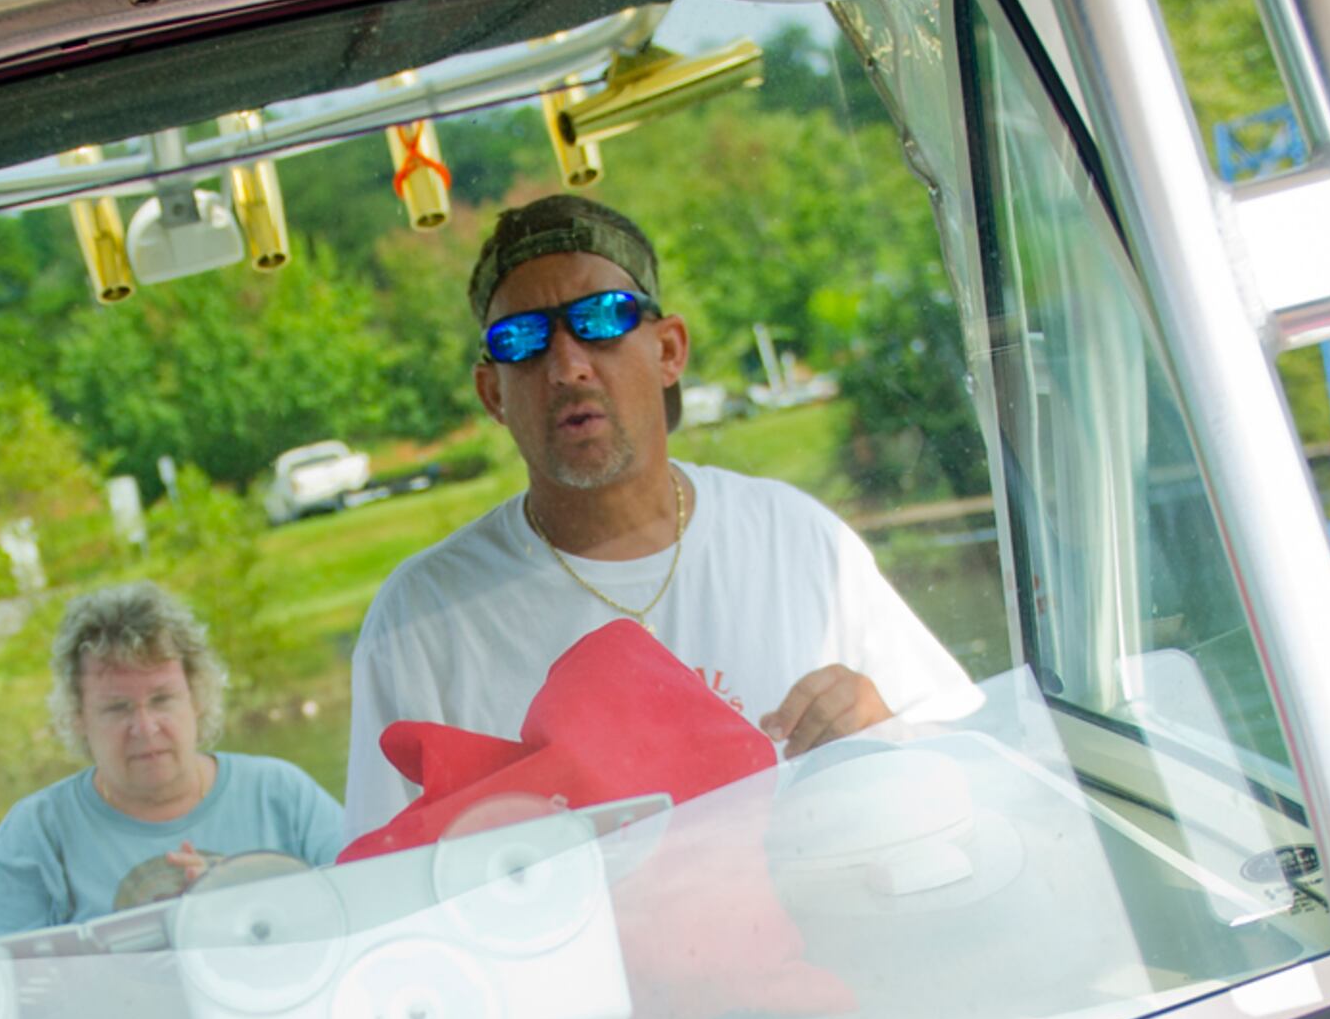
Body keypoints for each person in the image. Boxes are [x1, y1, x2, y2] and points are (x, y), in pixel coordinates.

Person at [338, 195, 980, 838]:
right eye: (522, 338)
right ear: (492, 393)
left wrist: (883, 733)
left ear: (669, 349)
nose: (567, 366)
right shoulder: (420, 620)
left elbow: (965, 763)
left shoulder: (798, 537)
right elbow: (391, 884)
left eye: (602, 318)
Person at [0, 581, 347, 933]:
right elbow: (8, 984)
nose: (145, 727)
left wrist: (240, 894)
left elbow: (359, 914)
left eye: (162, 700)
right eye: (117, 708)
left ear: (197, 698)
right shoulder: (34, 836)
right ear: (78, 717)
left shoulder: (283, 795)